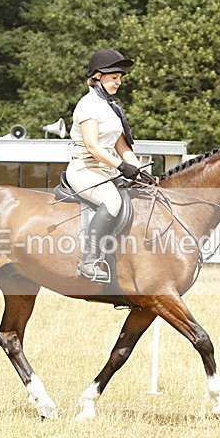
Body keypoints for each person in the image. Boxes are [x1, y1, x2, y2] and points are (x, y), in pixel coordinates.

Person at [66, 49, 142, 281]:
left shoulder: (110, 107)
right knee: (112, 201)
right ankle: (88, 261)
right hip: (84, 169)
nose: (119, 82)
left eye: (120, 78)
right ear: (98, 76)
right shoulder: (88, 105)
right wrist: (121, 167)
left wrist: (138, 171)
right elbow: (93, 147)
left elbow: (122, 147)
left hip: (105, 171)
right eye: (114, 77)